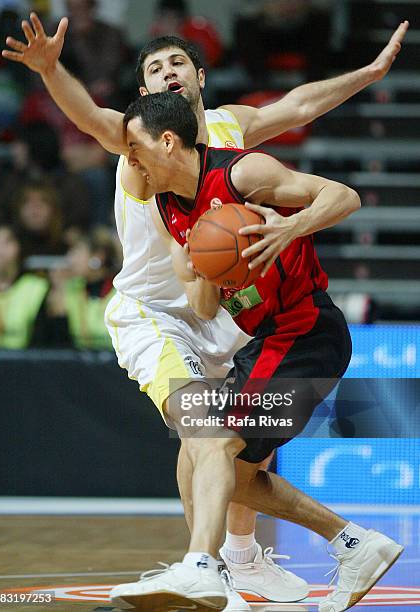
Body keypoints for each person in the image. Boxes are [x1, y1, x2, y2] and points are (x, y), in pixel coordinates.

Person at [2, 14, 408, 612]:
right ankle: (213, 564)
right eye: (153, 68)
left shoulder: (230, 140)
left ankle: (240, 560)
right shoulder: (138, 146)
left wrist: (369, 73)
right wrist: (50, 70)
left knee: (230, 447)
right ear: (143, 94)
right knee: (207, 435)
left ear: (198, 76)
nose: (166, 72)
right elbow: (88, 116)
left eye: (176, 64)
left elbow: (298, 106)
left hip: (235, 316)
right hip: (156, 312)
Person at [116, 90, 403, 611]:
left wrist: (288, 225)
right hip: (269, 341)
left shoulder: (239, 175)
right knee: (203, 455)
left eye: (134, 149)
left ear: (166, 141)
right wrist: (202, 268)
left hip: (306, 331)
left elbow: (344, 196)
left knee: (213, 440)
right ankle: (355, 544)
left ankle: (204, 567)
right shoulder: (167, 208)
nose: (129, 162)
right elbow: (205, 309)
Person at [0, 224, 48, 349]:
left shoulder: (36, 287)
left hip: (25, 365)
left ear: (20, 247)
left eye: (7, 241)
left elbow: (44, 343)